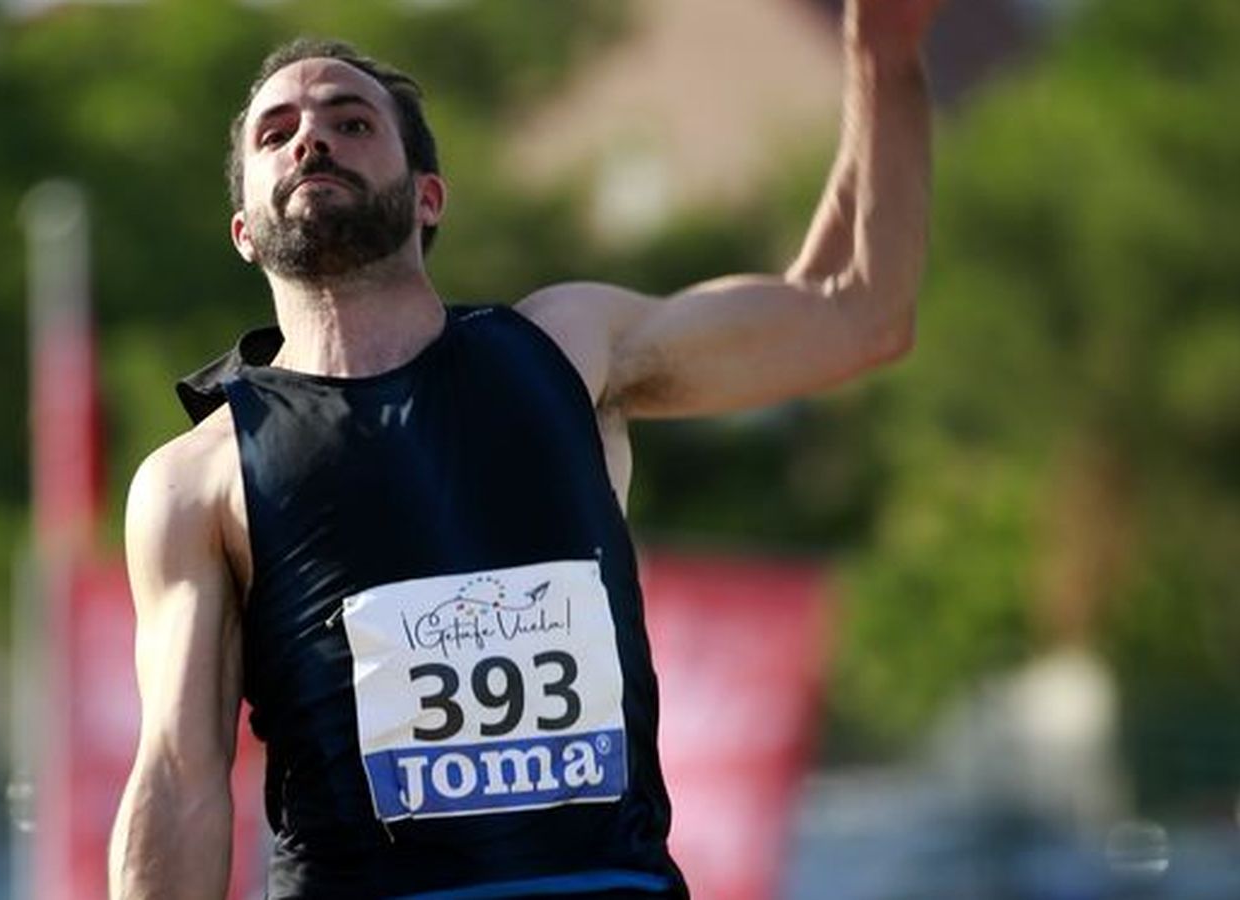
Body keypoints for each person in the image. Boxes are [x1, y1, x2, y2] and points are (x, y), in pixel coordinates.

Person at [110, 1, 939, 897]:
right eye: (279, 132)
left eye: (351, 122)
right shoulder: (199, 477)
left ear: (429, 195)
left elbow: (855, 313)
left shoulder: (568, 348)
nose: (312, 139)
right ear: (242, 228)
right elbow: (177, 776)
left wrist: (881, 56)